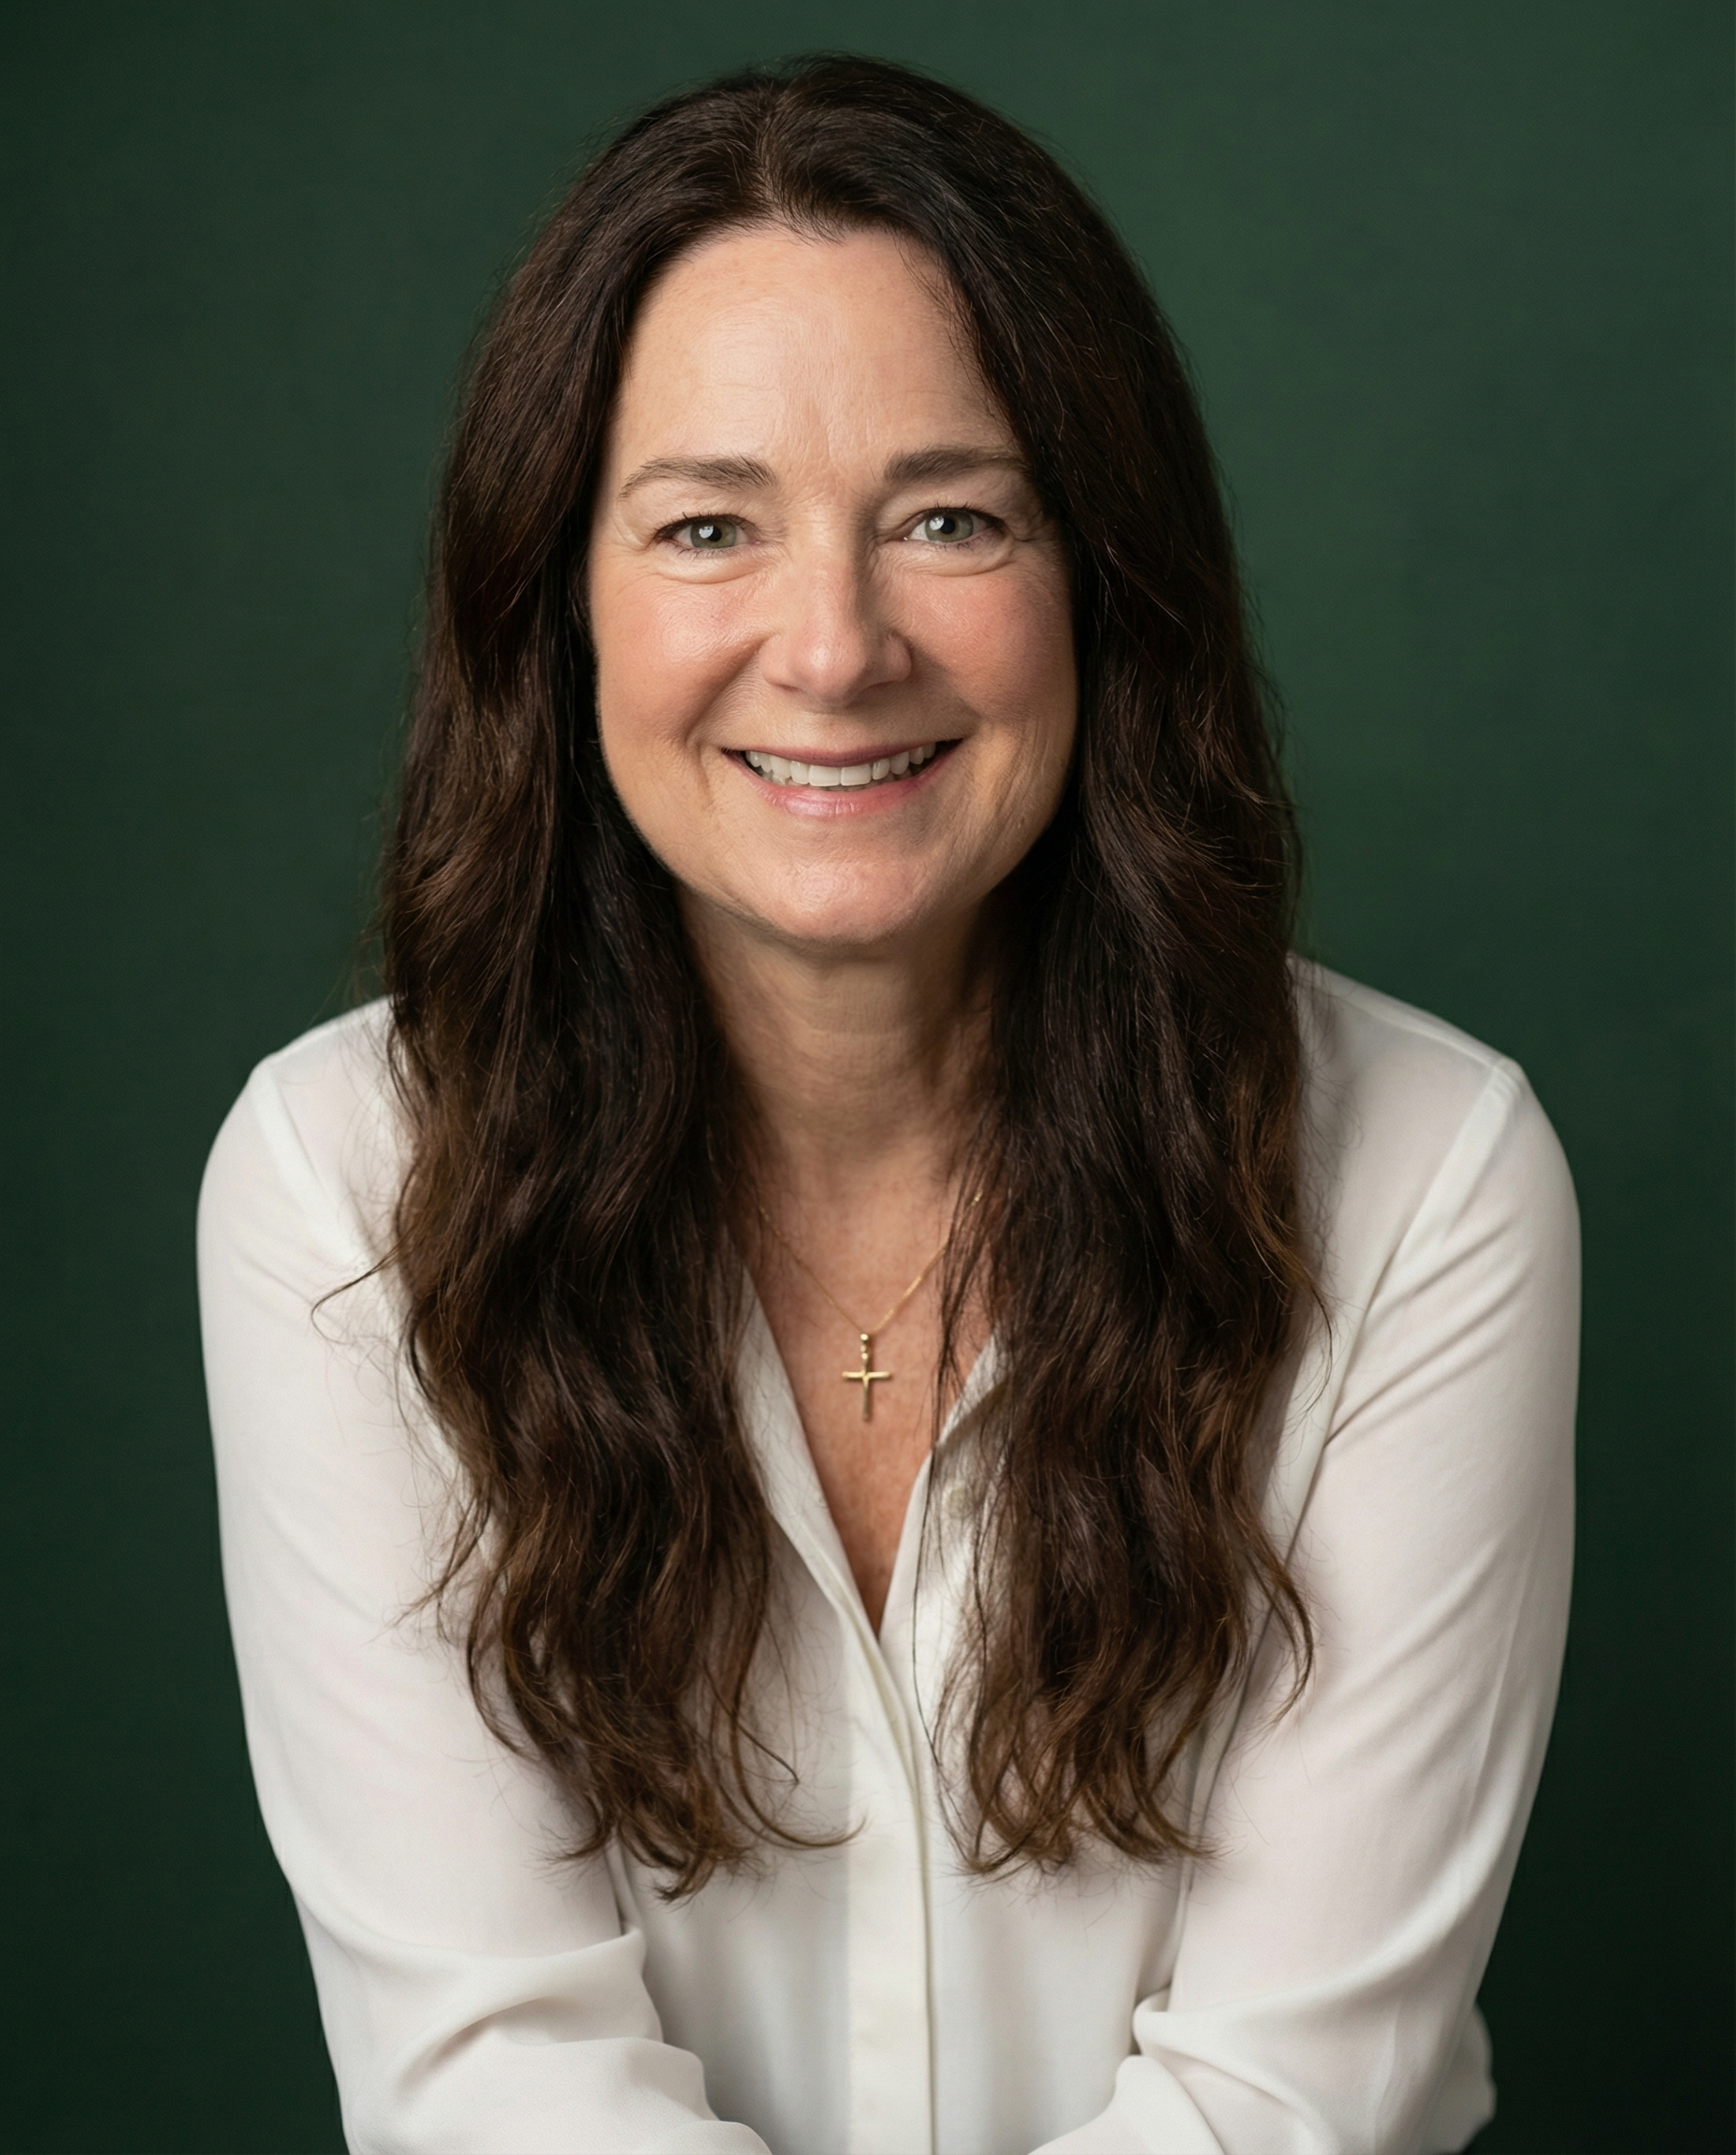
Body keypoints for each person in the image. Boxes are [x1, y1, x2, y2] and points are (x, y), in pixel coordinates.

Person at [197, 54, 1578, 2155]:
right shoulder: (338, 1184)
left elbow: (1296, 2096)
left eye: (951, 516)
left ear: (1102, 583)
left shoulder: (1425, 1170)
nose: (831, 649)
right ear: (554, 602)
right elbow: (492, 2087)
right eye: (705, 526)